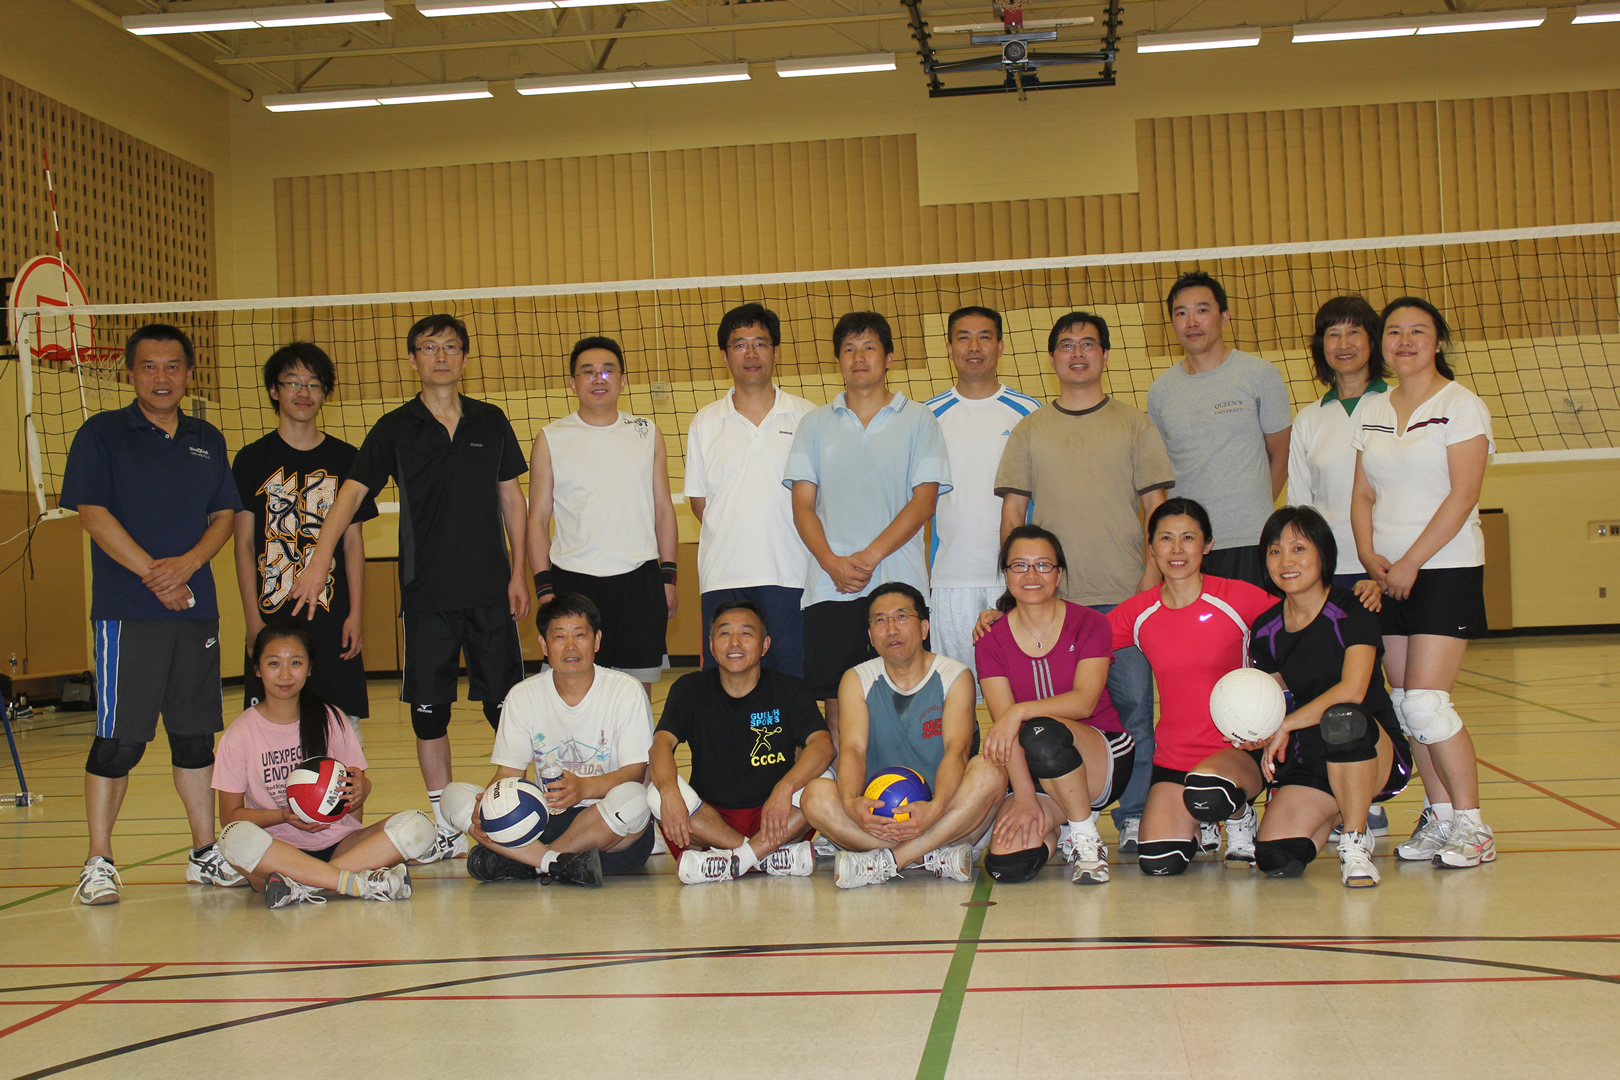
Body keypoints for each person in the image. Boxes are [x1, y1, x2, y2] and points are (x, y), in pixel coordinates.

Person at [287, 314, 530, 864]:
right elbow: (349, 494)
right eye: (429, 347)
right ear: (414, 359)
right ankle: (446, 820)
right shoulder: (395, 427)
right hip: (426, 598)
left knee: (507, 709)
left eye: (450, 347)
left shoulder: (491, 422)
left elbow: (513, 501)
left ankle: (522, 804)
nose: (440, 356)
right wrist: (319, 558)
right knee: (429, 714)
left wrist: (521, 573)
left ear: (465, 358)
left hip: (491, 592)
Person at [60, 323, 245, 905]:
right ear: (130, 373)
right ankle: (98, 861)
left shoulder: (207, 438)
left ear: (189, 375)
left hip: (195, 610)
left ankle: (203, 854)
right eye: (148, 367)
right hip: (127, 612)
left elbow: (223, 517)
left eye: (172, 367)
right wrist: (153, 575)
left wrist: (186, 566)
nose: (161, 377)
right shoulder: (101, 434)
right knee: (120, 741)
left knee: (194, 739)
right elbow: (93, 514)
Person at [993, 311, 1173, 854]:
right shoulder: (1029, 429)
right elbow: (1014, 517)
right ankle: (1069, 816)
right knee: (1056, 720)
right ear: (1052, 359)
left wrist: (1147, 588)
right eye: (1066, 345)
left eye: (1088, 344)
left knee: (1135, 712)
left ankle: (1136, 817)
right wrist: (1012, 596)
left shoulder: (1134, 424)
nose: (1077, 353)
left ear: (1105, 356)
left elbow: (1155, 511)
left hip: (1124, 601)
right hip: (1054, 611)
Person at [1351, 296, 1496, 869]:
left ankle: (1473, 826)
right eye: (1394, 331)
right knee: (1409, 706)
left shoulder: (1462, 406)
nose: (1404, 340)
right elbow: (1362, 495)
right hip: (1388, 573)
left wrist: (1410, 561)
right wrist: (1369, 554)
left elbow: (1464, 494)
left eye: (1418, 331)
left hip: (1446, 568)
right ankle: (1439, 819)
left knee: (1432, 704)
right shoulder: (1373, 409)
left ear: (1438, 342)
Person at [784, 311, 951, 743]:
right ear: (838, 360)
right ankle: (846, 803)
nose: (859, 357)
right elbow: (802, 505)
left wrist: (867, 558)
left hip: (900, 583)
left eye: (869, 347)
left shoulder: (919, 420)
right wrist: (833, 563)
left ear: (889, 357)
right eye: (849, 349)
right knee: (841, 708)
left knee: (908, 699)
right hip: (830, 588)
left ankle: (913, 798)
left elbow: (924, 502)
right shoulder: (814, 425)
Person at [1104, 499, 1277, 876]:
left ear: (1208, 545)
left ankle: (1240, 815)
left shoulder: (1238, 598)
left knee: (1209, 792)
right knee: (1158, 863)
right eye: (1166, 539)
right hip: (1174, 760)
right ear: (1152, 549)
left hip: (1236, 751)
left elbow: (1302, 620)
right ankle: (1203, 824)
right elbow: (1077, 636)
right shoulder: (1140, 612)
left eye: (1188, 538)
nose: (1177, 549)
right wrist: (1006, 613)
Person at [440, 593, 656, 887]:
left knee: (637, 798)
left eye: (580, 635)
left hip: (607, 827)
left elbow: (635, 772)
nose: (570, 646)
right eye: (559, 637)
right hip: (544, 820)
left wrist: (583, 788)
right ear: (543, 644)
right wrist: (487, 807)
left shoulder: (626, 691)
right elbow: (508, 773)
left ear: (596, 641)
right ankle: (555, 863)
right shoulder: (522, 695)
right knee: (454, 796)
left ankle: (525, 861)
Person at [798, 583, 1004, 889]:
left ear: (924, 627)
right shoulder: (857, 679)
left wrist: (934, 810)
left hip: (946, 813)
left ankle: (889, 860)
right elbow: (852, 749)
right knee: (814, 795)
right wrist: (852, 802)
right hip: (881, 820)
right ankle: (932, 856)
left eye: (901, 617)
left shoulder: (955, 675)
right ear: (870, 636)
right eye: (879, 621)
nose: (891, 628)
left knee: (991, 771)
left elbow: (956, 751)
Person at [1248, 507, 1412, 887]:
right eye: (1275, 551)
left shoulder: (1355, 607)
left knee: (1341, 718)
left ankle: (1355, 841)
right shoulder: (1265, 628)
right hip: (1312, 756)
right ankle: (1339, 809)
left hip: (1370, 746)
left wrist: (1287, 724)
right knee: (1276, 859)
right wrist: (1260, 729)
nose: (1286, 561)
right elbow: (1275, 700)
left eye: (1299, 548)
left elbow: (1353, 690)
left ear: (1323, 555)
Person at [213, 624, 432, 907]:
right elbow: (230, 816)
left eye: (295, 663)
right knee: (233, 838)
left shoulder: (331, 719)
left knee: (419, 825)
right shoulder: (239, 734)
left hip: (339, 844)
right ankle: (351, 882)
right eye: (273, 663)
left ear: (310, 668)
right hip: (277, 851)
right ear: (257, 669)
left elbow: (355, 795)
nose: (285, 674)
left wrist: (362, 788)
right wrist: (283, 816)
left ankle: (300, 884)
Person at [1286, 295, 1394, 836]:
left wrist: (1381, 574)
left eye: (1355, 332)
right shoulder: (1311, 418)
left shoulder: (1398, 407)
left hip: (1384, 576)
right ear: (1320, 347)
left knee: (1391, 693)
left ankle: (1376, 793)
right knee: (1333, 687)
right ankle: (1340, 790)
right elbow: (1300, 510)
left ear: (1373, 341)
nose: (1344, 343)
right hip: (1330, 582)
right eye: (1333, 334)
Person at [977, 526, 1136, 886]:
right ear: (1006, 574)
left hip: (1100, 753)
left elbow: (1084, 701)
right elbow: (1004, 729)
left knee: (1040, 731)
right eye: (1019, 565)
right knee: (1007, 865)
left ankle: (1085, 838)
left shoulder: (1089, 623)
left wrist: (1020, 710)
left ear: (1059, 573)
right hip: (1033, 765)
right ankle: (1062, 828)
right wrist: (1025, 797)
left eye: (1043, 565)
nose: (1031, 575)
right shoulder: (991, 640)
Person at [233, 342, 377, 721]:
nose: (303, 392)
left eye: (313, 384)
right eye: (292, 382)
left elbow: (353, 542)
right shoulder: (250, 459)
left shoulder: (348, 459)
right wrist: (252, 620)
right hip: (272, 614)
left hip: (333, 615)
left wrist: (356, 613)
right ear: (273, 390)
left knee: (342, 726)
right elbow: (244, 545)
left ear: (325, 393)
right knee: (271, 728)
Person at [529, 335, 679, 695]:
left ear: (623, 380)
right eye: (588, 372)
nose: (599, 379)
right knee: (575, 692)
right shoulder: (551, 437)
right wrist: (545, 589)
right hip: (573, 582)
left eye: (608, 371)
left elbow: (663, 508)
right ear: (573, 383)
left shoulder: (647, 432)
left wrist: (668, 577)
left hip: (638, 581)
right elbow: (536, 519)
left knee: (635, 695)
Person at [648, 600, 835, 884]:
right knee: (655, 793)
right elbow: (661, 744)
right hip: (713, 822)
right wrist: (669, 789)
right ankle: (766, 857)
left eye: (746, 634)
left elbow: (823, 744)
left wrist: (785, 788)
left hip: (776, 816)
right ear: (711, 645)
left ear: (764, 645)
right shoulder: (690, 689)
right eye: (724, 634)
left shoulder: (789, 689)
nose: (735, 642)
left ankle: (734, 860)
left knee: (824, 782)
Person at [685, 304, 816, 677]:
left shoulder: (808, 417)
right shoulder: (705, 422)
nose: (752, 353)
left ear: (775, 351)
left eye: (760, 342)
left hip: (792, 576)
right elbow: (700, 503)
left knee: (790, 687)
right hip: (724, 577)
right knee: (726, 688)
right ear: (725, 356)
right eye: (740, 344)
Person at [1148, 272, 1293, 590]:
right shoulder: (1160, 391)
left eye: (1202, 310)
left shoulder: (1260, 375)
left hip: (1250, 541)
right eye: (1181, 313)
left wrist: (1250, 508)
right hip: (1188, 549)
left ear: (1224, 317)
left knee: (1254, 638)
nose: (1191, 322)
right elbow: (1160, 473)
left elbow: (1281, 452)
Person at [923, 306, 1041, 693]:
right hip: (949, 582)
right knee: (954, 699)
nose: (974, 347)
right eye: (963, 337)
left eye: (985, 336)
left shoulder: (1030, 414)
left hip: (1016, 581)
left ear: (1001, 346)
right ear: (949, 348)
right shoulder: (926, 417)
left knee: (1022, 693)